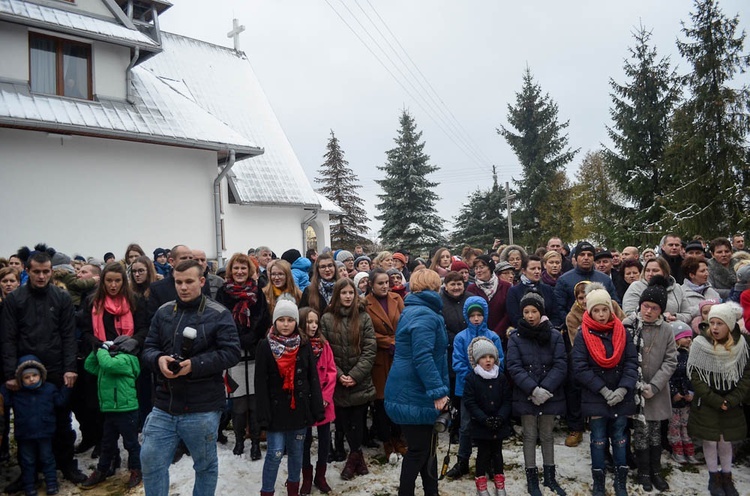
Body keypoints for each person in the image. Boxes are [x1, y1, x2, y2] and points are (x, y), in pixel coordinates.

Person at [139, 259, 241, 496]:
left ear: (202, 281)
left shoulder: (219, 313)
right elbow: (149, 347)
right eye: (178, 282)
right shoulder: (163, 312)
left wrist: (194, 365)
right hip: (164, 404)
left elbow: (231, 352)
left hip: (202, 407)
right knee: (151, 463)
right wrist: (158, 360)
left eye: (189, 282)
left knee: (205, 466)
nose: (183, 287)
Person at [1, 250, 86, 486]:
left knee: (62, 421)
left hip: (57, 368)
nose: (41, 276)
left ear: (51, 271)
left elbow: (69, 336)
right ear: (27, 271)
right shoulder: (14, 299)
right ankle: (29, 471)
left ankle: (67, 465)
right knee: (25, 423)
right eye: (36, 272)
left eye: (45, 271)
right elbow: (7, 337)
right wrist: (10, 373)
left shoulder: (61, 298)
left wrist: (71, 368)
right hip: (25, 370)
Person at [384, 269, 450, 496]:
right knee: (419, 451)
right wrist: (438, 392)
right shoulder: (424, 315)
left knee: (427, 450)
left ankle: (431, 491)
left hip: (413, 389)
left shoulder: (419, 310)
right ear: (433, 287)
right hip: (414, 391)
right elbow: (423, 357)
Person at [572, 286, 638, 496]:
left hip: (620, 395)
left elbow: (631, 362)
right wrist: (603, 390)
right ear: (589, 312)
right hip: (595, 396)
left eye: (604, 310)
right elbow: (580, 367)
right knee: (598, 439)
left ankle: (621, 479)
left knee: (620, 437)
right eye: (596, 310)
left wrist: (622, 389)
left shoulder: (623, 332)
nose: (601, 315)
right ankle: (598, 480)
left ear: (611, 309)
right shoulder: (583, 334)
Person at [256, 300, 324, 496]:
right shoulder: (265, 346)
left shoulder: (303, 345)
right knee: (275, 453)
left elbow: (312, 377)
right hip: (275, 412)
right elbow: (260, 383)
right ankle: (267, 491)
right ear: (275, 321)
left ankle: (293, 488)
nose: (285, 324)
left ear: (296, 322)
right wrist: (263, 413)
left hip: (298, 409)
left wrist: (316, 407)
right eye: (281, 320)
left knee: (296, 452)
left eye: (290, 320)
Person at [506, 291, 567, 496]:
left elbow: (560, 364)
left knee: (547, 435)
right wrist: (532, 389)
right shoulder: (515, 337)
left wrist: (546, 389)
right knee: (530, 435)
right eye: (526, 312)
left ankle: (550, 475)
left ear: (541, 312)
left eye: (534, 311)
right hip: (526, 394)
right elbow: (513, 366)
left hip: (550, 394)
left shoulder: (555, 335)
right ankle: (531, 476)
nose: (530, 316)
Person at [687, 302, 750, 496]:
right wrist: (715, 400)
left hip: (731, 402)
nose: (714, 327)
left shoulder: (741, 345)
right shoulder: (700, 344)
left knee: (725, 440)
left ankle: (727, 476)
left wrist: (731, 400)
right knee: (710, 440)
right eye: (711, 322)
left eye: (719, 323)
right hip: (707, 403)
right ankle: (713, 477)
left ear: (730, 325)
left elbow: (746, 375)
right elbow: (695, 376)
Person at [623, 276, 677, 492]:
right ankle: (643, 471)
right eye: (645, 306)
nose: (648, 311)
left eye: (654, 308)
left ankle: (656, 470)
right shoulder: (629, 326)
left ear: (661, 310)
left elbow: (671, 360)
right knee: (640, 431)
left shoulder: (666, 330)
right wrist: (635, 384)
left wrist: (654, 386)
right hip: (635, 390)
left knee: (655, 431)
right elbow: (623, 356)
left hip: (656, 391)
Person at [320, 278, 376, 480]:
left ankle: (353, 458)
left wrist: (354, 375)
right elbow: (325, 350)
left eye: (350, 293)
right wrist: (339, 374)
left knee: (358, 421)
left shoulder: (363, 317)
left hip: (359, 381)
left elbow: (370, 349)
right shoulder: (326, 318)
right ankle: (357, 457)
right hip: (337, 381)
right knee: (344, 421)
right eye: (343, 293)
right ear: (337, 295)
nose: (347, 296)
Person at [216, 253, 270, 459]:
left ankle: (255, 441)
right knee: (238, 401)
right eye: (236, 268)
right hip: (234, 351)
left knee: (254, 400)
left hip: (254, 351)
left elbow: (264, 317)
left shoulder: (257, 291)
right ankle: (239, 439)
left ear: (249, 271)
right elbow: (220, 319)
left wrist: (251, 335)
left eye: (243, 268)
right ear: (231, 270)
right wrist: (237, 338)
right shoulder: (223, 292)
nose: (240, 272)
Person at [446, 296, 504, 480]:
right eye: (473, 315)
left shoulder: (493, 336)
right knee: (466, 426)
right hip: (467, 389)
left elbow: (500, 360)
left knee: (489, 424)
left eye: (480, 315)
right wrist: (474, 379)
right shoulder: (461, 338)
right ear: (467, 316)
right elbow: (458, 363)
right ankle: (463, 460)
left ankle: (490, 461)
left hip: (491, 390)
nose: (476, 318)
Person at [81, 336, 143, 490]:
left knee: (131, 444)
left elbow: (108, 365)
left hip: (126, 410)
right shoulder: (108, 360)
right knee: (107, 444)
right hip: (110, 410)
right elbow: (89, 365)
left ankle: (136, 469)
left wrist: (102, 350)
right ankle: (102, 470)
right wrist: (94, 351)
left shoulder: (127, 360)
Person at [4, 356, 71, 496]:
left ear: (41, 375)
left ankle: (51, 483)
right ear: (20, 379)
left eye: (34, 375)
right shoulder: (17, 393)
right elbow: (4, 399)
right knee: (27, 461)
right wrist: (7, 383)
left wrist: (67, 387)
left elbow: (60, 402)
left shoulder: (49, 389)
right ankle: (29, 485)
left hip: (45, 432)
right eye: (27, 377)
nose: (31, 379)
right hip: (24, 434)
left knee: (47, 459)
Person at [463, 337, 512, 496]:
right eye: (484, 357)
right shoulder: (472, 378)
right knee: (483, 454)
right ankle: (481, 486)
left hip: (499, 423)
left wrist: (501, 417)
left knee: (497, 453)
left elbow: (507, 400)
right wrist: (483, 419)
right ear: (478, 360)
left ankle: (499, 484)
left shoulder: (501, 377)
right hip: (481, 425)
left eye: (491, 357)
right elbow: (470, 402)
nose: (488, 360)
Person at [364, 268, 405, 458]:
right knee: (381, 401)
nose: (384, 286)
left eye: (386, 282)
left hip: (397, 357)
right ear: (371, 285)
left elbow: (404, 323)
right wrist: (390, 341)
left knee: (398, 398)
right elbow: (367, 332)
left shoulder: (397, 299)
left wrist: (399, 341)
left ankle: (398, 437)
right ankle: (386, 440)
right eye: (380, 283)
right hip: (379, 358)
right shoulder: (365, 304)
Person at [299, 307, 336, 495]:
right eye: (309, 322)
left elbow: (331, 371)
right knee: (304, 440)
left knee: (324, 439)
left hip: (323, 400)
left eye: (316, 322)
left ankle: (320, 475)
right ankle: (306, 475)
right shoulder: (297, 345)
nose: (313, 326)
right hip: (305, 401)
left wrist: (325, 397)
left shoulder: (324, 345)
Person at [622, 258, 691, 323]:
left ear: (665, 272)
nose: (650, 274)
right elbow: (629, 313)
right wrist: (661, 318)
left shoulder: (677, 288)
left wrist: (675, 317)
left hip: (674, 327)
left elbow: (688, 313)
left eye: (655, 271)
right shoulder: (636, 287)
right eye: (647, 270)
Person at [667, 321, 697, 465]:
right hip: (675, 399)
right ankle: (677, 451)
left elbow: (692, 376)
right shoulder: (672, 355)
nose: (689, 339)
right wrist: (674, 393)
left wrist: (691, 392)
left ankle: (689, 452)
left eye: (690, 337)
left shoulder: (690, 355)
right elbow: (669, 376)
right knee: (675, 425)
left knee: (685, 424)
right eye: (685, 336)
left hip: (686, 398)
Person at [466, 255, 512, 346]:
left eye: (482, 267)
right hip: (479, 339)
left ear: (490, 268)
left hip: (502, 338)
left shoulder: (506, 287)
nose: (478, 271)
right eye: (476, 268)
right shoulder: (471, 289)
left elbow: (508, 312)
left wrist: (496, 333)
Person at [506, 255, 558, 329]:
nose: (537, 271)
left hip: (547, 333)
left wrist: (547, 327)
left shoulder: (548, 289)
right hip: (524, 334)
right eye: (533, 269)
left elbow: (556, 315)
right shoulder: (514, 291)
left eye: (539, 268)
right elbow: (514, 317)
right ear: (524, 271)